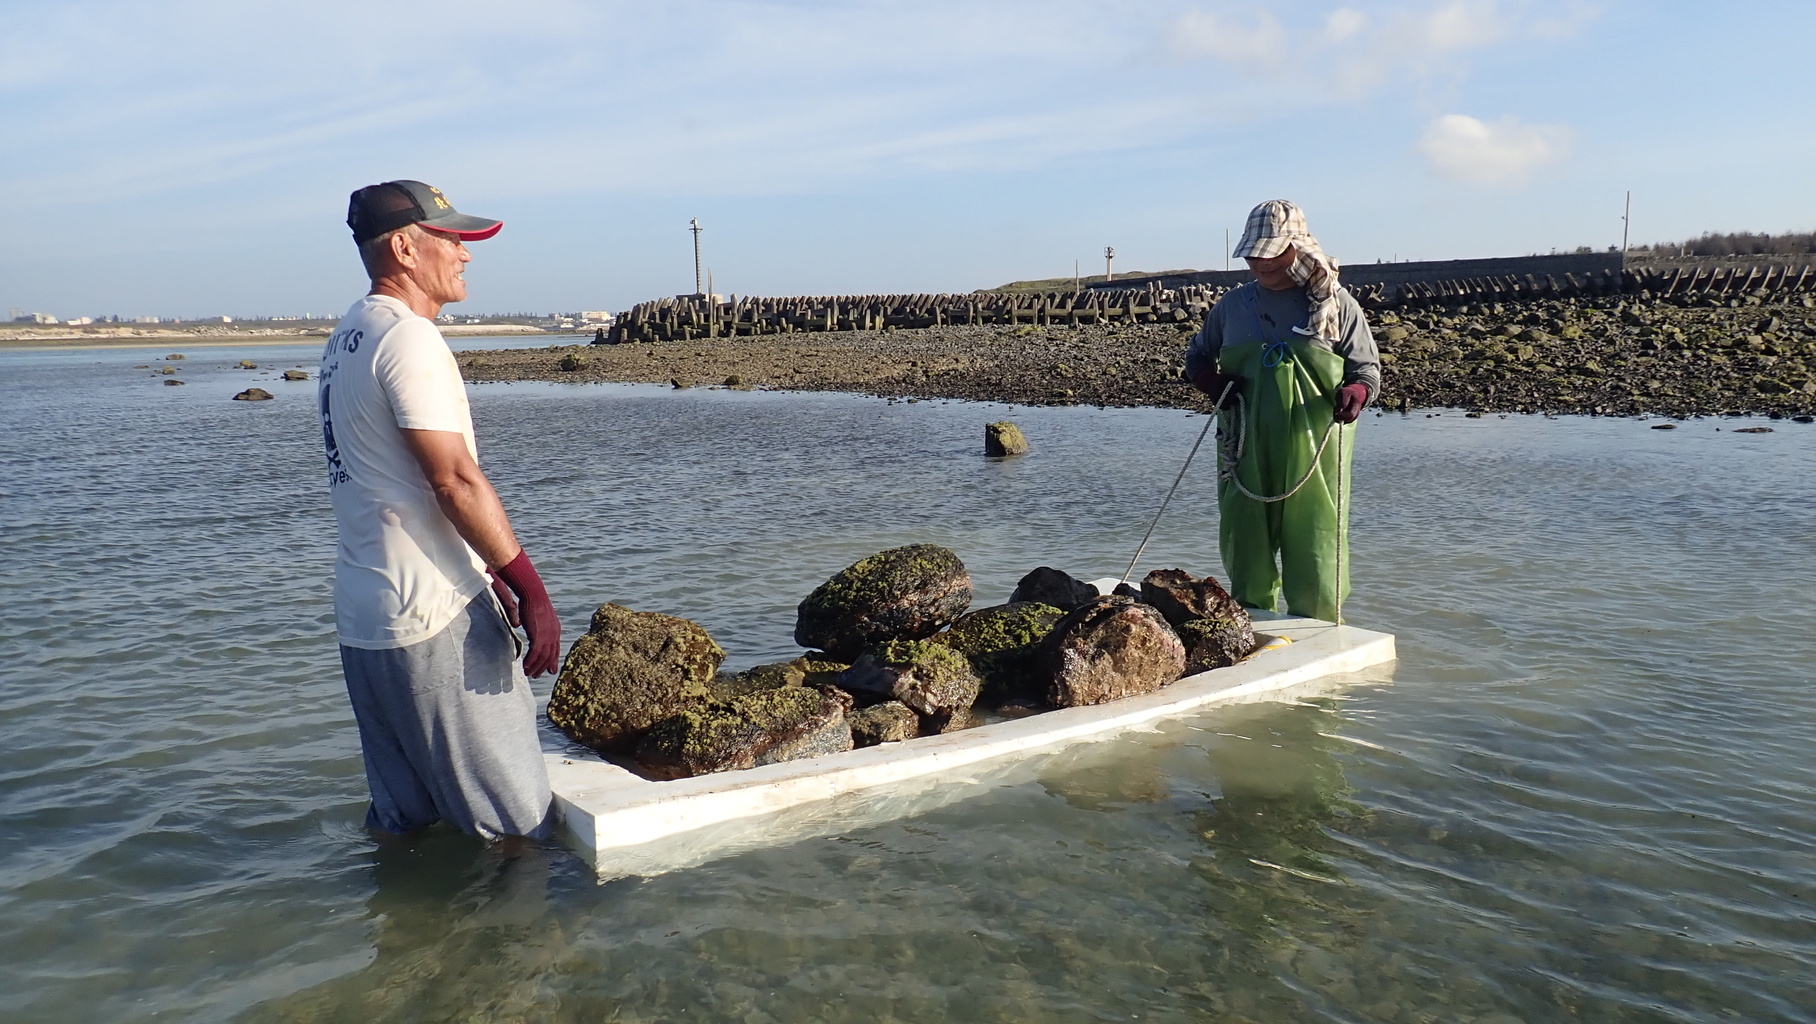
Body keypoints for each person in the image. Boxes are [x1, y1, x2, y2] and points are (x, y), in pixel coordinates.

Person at [319, 179, 561, 841]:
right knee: (519, 838)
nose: (466, 254)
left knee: (409, 835)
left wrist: (490, 579)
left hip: (366, 626)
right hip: (435, 620)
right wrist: (528, 588)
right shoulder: (410, 339)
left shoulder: (347, 336)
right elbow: (454, 481)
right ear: (404, 247)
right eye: (451, 238)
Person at [1182, 200, 1379, 623]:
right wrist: (1209, 381)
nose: (1259, 262)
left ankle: (1321, 627)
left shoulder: (1336, 304)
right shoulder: (1232, 307)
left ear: (1297, 247)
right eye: (1253, 254)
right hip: (1243, 440)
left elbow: (1367, 368)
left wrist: (1358, 391)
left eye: (1270, 253)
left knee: (1315, 537)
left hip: (1316, 446)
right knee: (1245, 533)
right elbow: (1197, 355)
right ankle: (1251, 620)